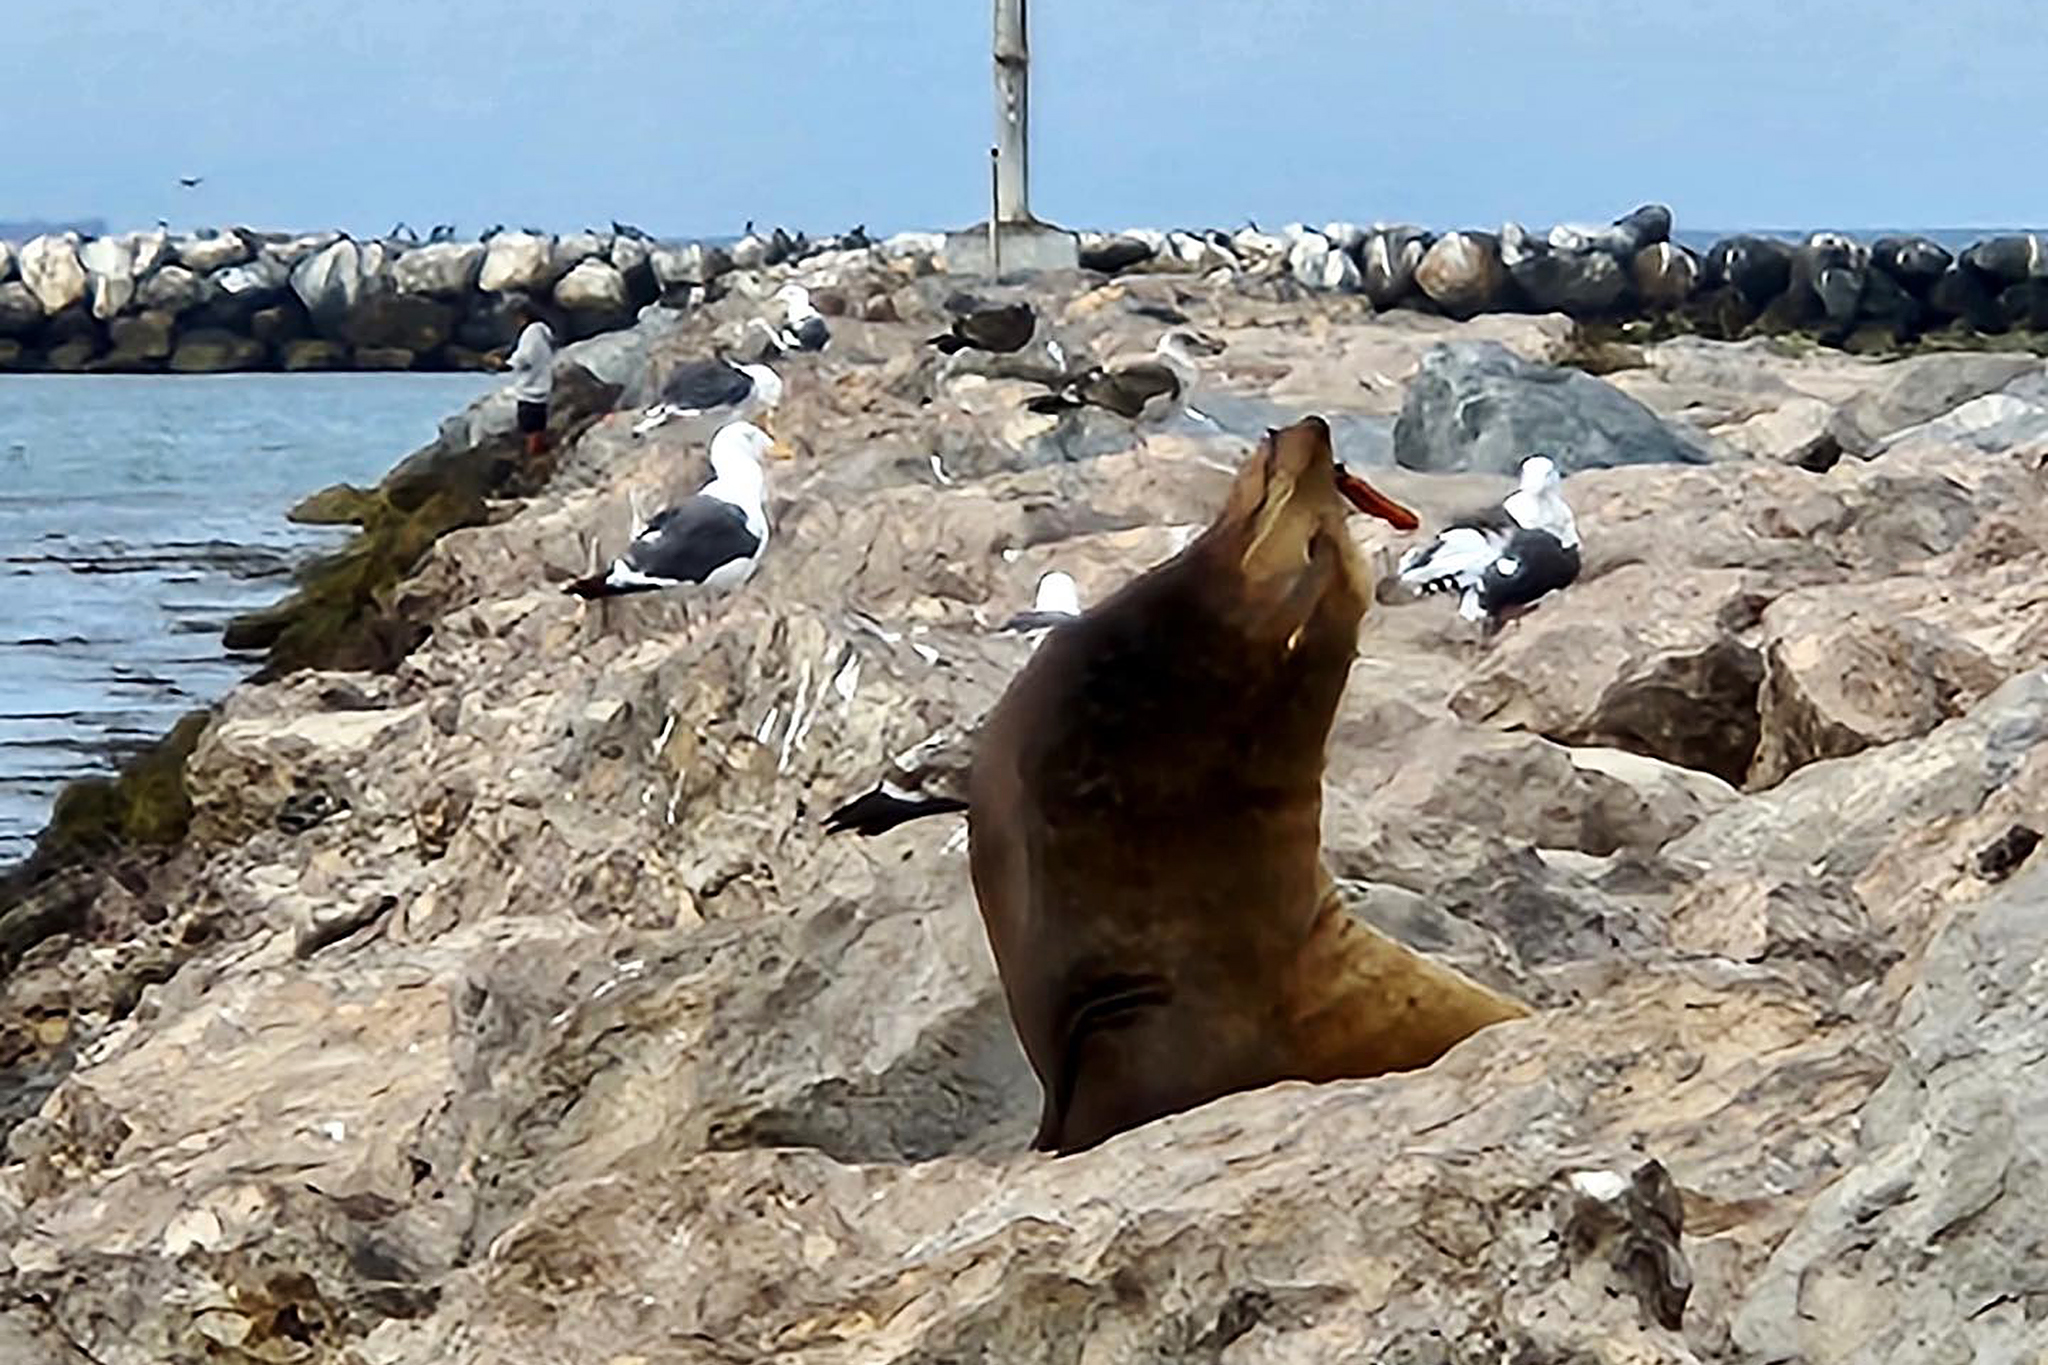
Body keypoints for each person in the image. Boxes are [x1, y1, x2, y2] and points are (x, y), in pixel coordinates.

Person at [505, 303, 555, 457]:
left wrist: (508, 362)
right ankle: (537, 453)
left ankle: (532, 456)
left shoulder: (532, 332)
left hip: (529, 389)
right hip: (543, 387)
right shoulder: (544, 334)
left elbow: (525, 357)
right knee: (538, 426)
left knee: (530, 428)